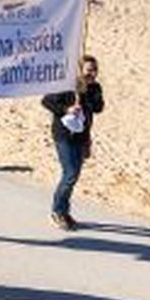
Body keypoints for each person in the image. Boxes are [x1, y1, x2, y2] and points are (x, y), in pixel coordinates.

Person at [42, 56, 105, 230]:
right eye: (89, 69)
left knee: (74, 175)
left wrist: (89, 94)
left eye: (95, 69)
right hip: (64, 135)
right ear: (80, 70)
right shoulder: (67, 84)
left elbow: (99, 108)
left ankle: (64, 211)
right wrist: (67, 109)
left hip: (82, 136)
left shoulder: (94, 87)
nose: (92, 73)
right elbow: (46, 101)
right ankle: (57, 211)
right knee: (69, 174)